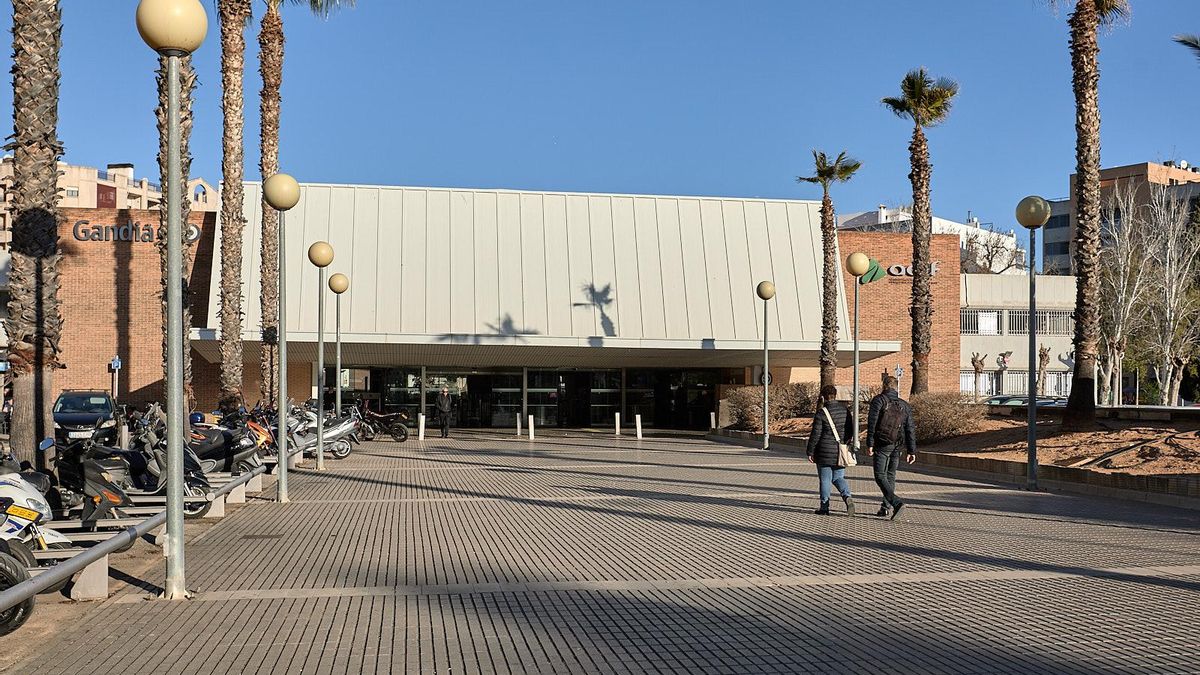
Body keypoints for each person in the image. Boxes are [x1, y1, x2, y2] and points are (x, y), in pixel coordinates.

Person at [866, 376, 917, 521]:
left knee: (880, 475)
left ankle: (896, 503)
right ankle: (885, 507)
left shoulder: (879, 401)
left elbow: (872, 423)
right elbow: (910, 429)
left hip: (882, 444)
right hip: (897, 445)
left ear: (884, 386)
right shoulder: (904, 405)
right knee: (890, 475)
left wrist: (870, 443)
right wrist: (911, 450)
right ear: (896, 387)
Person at [805, 385, 856, 516]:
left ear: (823, 397)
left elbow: (816, 434)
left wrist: (810, 451)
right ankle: (847, 496)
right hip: (840, 451)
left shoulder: (822, 413)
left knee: (825, 480)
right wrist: (846, 443)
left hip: (823, 451)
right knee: (838, 477)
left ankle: (824, 507)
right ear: (835, 395)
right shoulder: (845, 411)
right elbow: (850, 430)